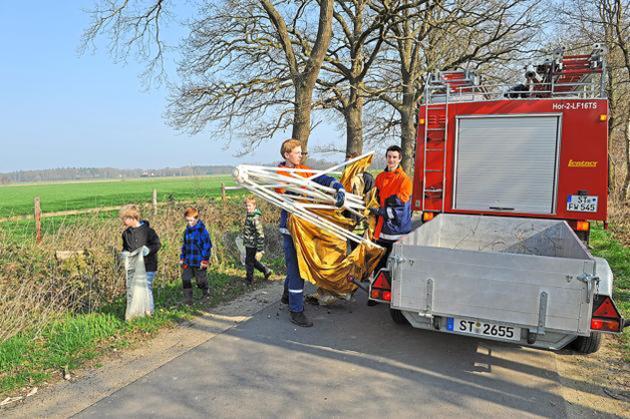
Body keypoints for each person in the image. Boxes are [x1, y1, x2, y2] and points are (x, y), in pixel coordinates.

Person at [278, 138, 346, 327]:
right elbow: (283, 191)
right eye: (298, 152)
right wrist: (297, 190)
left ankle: (287, 296)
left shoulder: (303, 170)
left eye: (302, 152)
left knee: (297, 266)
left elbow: (322, 178)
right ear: (287, 155)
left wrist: (337, 187)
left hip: (306, 227)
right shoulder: (279, 174)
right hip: (290, 229)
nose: (301, 155)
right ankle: (296, 311)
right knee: (297, 270)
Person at [368, 145, 413, 304]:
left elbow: (402, 205)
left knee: (396, 265)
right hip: (381, 230)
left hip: (397, 231)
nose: (391, 160)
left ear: (400, 159)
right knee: (378, 262)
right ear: (386, 158)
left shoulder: (404, 180)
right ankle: (376, 293)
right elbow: (375, 196)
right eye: (389, 156)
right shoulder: (380, 177)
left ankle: (396, 296)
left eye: (394, 157)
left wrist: (382, 211)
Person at [120, 204, 161, 315]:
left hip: (149, 265)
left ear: (133, 218)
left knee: (146, 287)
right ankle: (137, 312)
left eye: (125, 219)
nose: (123, 221)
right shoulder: (126, 234)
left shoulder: (148, 231)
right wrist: (124, 253)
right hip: (134, 266)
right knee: (134, 289)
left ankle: (149, 311)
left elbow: (157, 244)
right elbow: (125, 247)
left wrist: (148, 250)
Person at [180, 207, 213, 305]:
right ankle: (188, 299)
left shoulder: (202, 231)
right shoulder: (186, 232)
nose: (189, 223)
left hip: (199, 261)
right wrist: (182, 258)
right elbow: (184, 246)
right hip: (188, 260)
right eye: (187, 221)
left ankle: (206, 292)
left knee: (200, 281)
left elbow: (207, 246)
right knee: (185, 278)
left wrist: (205, 260)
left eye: (191, 220)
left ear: (196, 218)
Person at [243, 196, 273, 285]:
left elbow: (260, 234)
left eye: (250, 206)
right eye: (247, 206)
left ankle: (249, 280)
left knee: (249, 262)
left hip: (252, 244)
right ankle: (266, 270)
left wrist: (260, 249)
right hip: (248, 242)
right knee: (252, 260)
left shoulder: (255, 218)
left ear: (254, 206)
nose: (248, 208)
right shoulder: (250, 215)